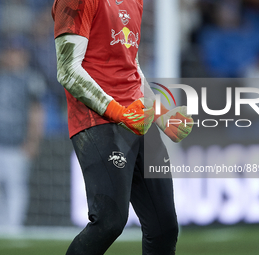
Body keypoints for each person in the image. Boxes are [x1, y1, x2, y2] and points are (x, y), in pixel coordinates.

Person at [52, 0, 193, 254]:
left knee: (165, 228)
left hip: (138, 118)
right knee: (109, 222)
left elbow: (132, 67)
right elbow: (67, 70)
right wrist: (119, 112)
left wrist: (161, 115)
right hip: (99, 120)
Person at [0, 37, 46, 233]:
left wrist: (32, 141)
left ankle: (13, 229)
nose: (13, 56)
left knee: (16, 187)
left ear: (24, 55)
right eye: (10, 52)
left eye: (17, 52)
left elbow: (37, 112)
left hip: (16, 143)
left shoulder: (31, 79)